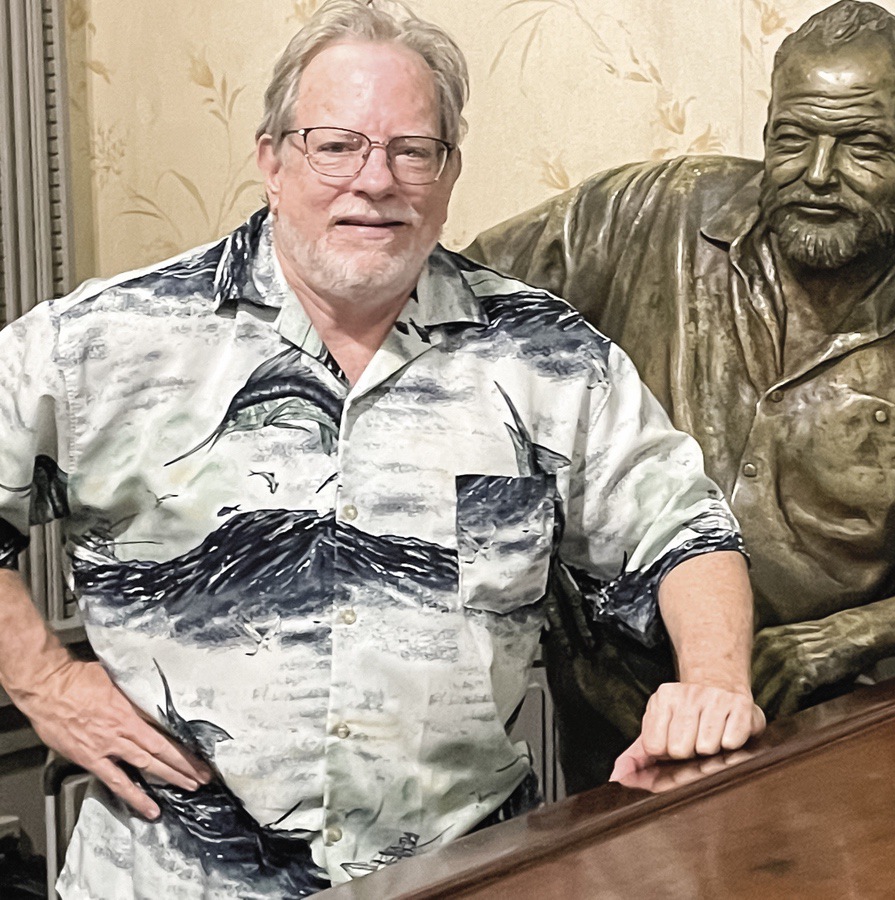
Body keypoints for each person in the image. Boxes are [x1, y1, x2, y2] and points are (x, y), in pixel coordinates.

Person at [0, 2, 764, 896]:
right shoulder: (108, 341)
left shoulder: (547, 358)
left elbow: (683, 530)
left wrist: (711, 682)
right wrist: (42, 678)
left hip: (462, 868)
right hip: (169, 877)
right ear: (271, 159)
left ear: (448, 172)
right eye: (336, 145)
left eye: (412, 150)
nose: (376, 180)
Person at [467, 0, 895, 788]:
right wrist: (516, 531)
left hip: (800, 730)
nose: (819, 175)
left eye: (863, 146)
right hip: (593, 690)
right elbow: (459, 320)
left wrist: (841, 639)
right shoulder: (648, 212)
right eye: (794, 138)